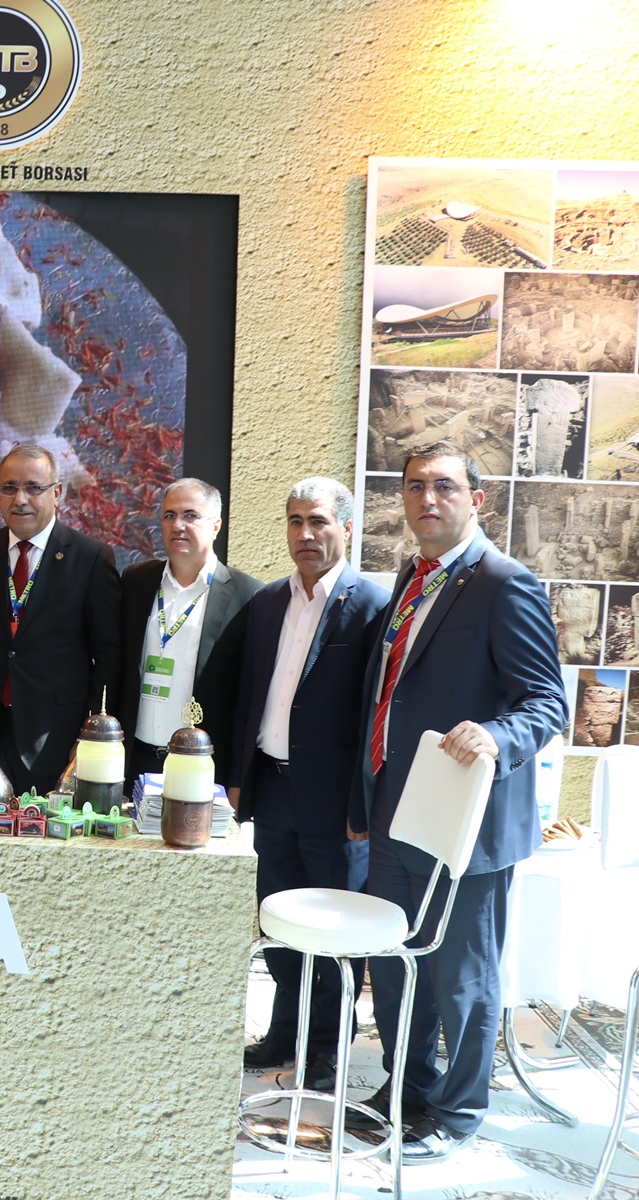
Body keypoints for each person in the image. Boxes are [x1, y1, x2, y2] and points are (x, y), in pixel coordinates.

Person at [348, 440, 567, 1163]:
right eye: (415, 486)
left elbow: (546, 702)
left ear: (476, 499)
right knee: (396, 964)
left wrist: (496, 735)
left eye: (443, 486)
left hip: (467, 823)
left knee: (463, 977)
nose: (427, 498)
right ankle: (406, 1091)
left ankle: (459, 1110)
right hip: (397, 809)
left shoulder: (504, 583)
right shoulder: (412, 576)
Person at [232, 477, 389, 1090]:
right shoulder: (270, 600)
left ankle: (326, 1046)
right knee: (279, 923)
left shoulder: (372, 605)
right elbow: (252, 692)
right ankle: (283, 1031)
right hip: (273, 790)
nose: (305, 533)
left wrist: (362, 802)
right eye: (295, 521)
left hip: (334, 800)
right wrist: (240, 777)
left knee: (332, 930)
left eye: (318, 521)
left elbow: (375, 713)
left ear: (346, 527)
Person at [0, 444, 122, 794]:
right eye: (9, 488)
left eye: (33, 488)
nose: (19, 499)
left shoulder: (91, 558)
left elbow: (109, 657)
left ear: (57, 493)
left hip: (56, 739)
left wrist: (91, 735)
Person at [118, 477, 260, 787]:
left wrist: (238, 781)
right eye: (169, 515)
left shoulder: (247, 595)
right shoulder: (136, 581)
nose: (178, 525)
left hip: (200, 767)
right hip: (133, 759)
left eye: (190, 515)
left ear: (216, 525)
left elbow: (250, 699)